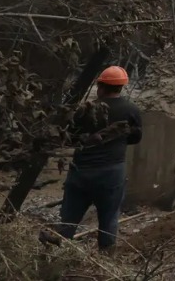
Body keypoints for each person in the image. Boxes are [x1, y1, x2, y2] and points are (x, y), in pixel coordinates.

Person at [43, 65, 143, 250]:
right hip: (111, 174)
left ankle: (56, 255)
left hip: (81, 173)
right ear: (121, 87)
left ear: (101, 86)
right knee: (109, 220)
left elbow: (69, 138)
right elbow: (136, 137)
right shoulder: (131, 110)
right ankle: (105, 262)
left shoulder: (84, 111)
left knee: (68, 221)